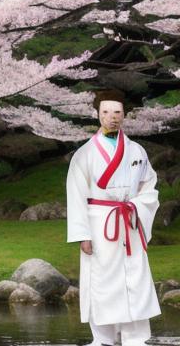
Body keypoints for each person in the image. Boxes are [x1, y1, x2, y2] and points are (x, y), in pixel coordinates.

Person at [66, 89, 161, 346]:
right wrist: (82, 234)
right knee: (101, 280)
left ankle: (136, 338)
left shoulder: (136, 150)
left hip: (129, 219)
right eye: (106, 112)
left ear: (124, 115)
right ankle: (103, 338)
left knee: (135, 278)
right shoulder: (84, 154)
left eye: (117, 112)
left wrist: (137, 207)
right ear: (98, 114)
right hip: (99, 223)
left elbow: (149, 185)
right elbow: (75, 195)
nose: (112, 117)